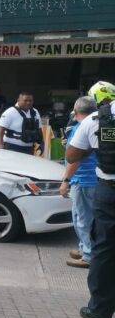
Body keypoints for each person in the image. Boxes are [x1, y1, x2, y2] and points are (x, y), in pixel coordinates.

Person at [66, 81, 115, 318]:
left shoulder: (95, 120)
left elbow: (71, 155)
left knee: (104, 250)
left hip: (108, 190)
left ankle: (100, 310)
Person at [60, 96, 99, 269]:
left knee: (82, 219)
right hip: (93, 179)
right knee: (84, 217)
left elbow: (75, 160)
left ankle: (89, 255)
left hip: (83, 180)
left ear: (76, 111)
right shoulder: (96, 125)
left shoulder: (80, 128)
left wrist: (65, 181)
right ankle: (84, 248)